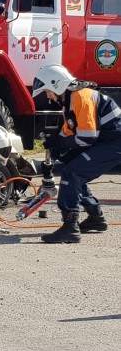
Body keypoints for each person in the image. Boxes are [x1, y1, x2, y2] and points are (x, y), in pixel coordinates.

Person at [32, 63, 121, 243]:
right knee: (73, 168)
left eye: (48, 91)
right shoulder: (70, 99)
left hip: (114, 143)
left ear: (57, 84)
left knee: (73, 172)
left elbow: (87, 136)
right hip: (106, 141)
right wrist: (57, 147)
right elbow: (71, 132)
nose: (48, 96)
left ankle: (70, 228)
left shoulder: (81, 97)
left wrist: (60, 143)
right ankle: (95, 218)